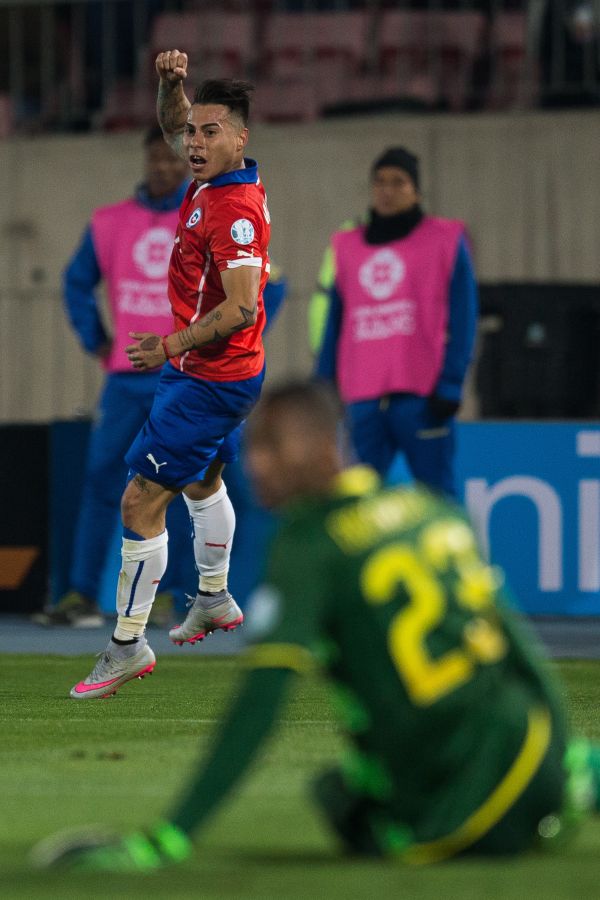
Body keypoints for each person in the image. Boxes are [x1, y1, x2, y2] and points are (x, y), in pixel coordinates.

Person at [34, 380, 600, 869]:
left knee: (341, 798)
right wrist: (561, 751)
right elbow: (520, 652)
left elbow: (261, 704)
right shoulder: (431, 509)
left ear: (326, 445)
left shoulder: (309, 544)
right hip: (536, 755)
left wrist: (168, 837)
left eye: (272, 447)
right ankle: (575, 782)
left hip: (459, 817)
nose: (255, 465)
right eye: (256, 448)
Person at [69, 50, 272, 700]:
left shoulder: (231, 210)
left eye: (210, 132)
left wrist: (170, 344)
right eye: (193, 131)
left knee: (139, 500)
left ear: (241, 138)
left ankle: (127, 643)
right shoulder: (209, 180)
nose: (193, 141)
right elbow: (171, 123)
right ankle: (213, 597)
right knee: (203, 477)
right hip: (216, 373)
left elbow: (241, 305)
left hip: (206, 373)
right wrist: (169, 85)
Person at [36, 126, 194, 629]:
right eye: (156, 159)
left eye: (174, 161)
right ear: (145, 161)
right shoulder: (110, 223)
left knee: (188, 484)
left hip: (183, 375)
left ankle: (179, 595)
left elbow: (261, 286)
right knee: (102, 480)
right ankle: (80, 594)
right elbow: (76, 281)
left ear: (187, 163)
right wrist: (96, 339)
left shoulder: (206, 218)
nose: (165, 169)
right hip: (126, 376)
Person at [315, 146, 478, 497]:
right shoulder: (347, 246)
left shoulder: (446, 240)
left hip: (423, 397)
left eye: (398, 182)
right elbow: (335, 323)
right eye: (380, 182)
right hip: (362, 399)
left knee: (438, 497)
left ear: (417, 191)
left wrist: (451, 384)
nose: (387, 190)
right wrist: (323, 385)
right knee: (357, 501)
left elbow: (465, 317)